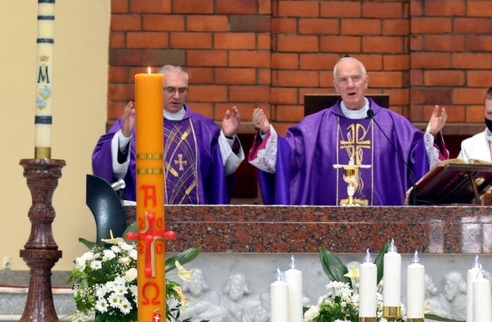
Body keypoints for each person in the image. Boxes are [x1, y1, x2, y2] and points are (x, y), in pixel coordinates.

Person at [249, 56, 448, 205]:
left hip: (383, 225)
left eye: (356, 78)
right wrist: (267, 132)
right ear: (336, 87)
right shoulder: (314, 126)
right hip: (327, 226)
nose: (350, 85)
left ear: (366, 82)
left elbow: (420, 160)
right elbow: (287, 155)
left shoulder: (393, 125)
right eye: (343, 80)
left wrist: (430, 134)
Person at [92, 65, 244, 204]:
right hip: (147, 213)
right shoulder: (135, 123)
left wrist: (227, 137)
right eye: (170, 90)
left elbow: (220, 172)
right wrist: (125, 135)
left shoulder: (204, 128)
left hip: (196, 217)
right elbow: (108, 166)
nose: (177, 96)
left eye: (182, 90)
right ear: (158, 89)